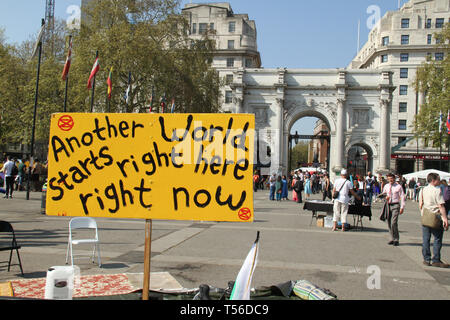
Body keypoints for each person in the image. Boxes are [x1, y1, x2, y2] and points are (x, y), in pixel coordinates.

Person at [419, 173, 449, 268]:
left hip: (426, 216)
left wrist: (423, 213)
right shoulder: (437, 190)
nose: (439, 181)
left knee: (426, 239)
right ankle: (436, 259)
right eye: (438, 179)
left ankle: (426, 259)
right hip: (436, 216)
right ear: (433, 180)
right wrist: (445, 219)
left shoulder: (423, 189)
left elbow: (420, 203)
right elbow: (441, 205)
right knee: (437, 239)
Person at [382, 173, 406, 247]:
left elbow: (402, 197)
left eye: (391, 178)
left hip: (395, 205)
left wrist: (402, 207)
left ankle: (396, 239)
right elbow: (383, 194)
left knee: (394, 222)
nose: (390, 180)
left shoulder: (398, 186)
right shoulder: (386, 186)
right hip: (388, 205)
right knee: (389, 222)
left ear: (394, 179)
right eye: (388, 179)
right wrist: (385, 197)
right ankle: (392, 238)